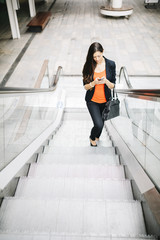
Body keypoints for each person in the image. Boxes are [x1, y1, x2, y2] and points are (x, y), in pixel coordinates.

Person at [82, 42, 116, 147]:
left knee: (101, 124)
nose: (97, 59)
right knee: (98, 124)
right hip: (92, 100)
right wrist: (94, 83)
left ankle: (97, 136)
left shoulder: (111, 64)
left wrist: (106, 81)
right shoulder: (88, 65)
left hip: (105, 101)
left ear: (103, 52)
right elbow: (85, 86)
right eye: (94, 57)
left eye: (99, 56)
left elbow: (113, 86)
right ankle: (92, 137)